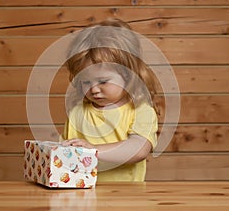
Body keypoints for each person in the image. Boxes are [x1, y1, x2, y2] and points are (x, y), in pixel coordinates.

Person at [61, 18, 158, 182]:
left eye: (103, 81)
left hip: (125, 198)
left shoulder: (140, 110)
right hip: (80, 195)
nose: (94, 89)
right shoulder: (78, 111)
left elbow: (139, 149)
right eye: (86, 82)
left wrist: (94, 151)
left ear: (128, 75)